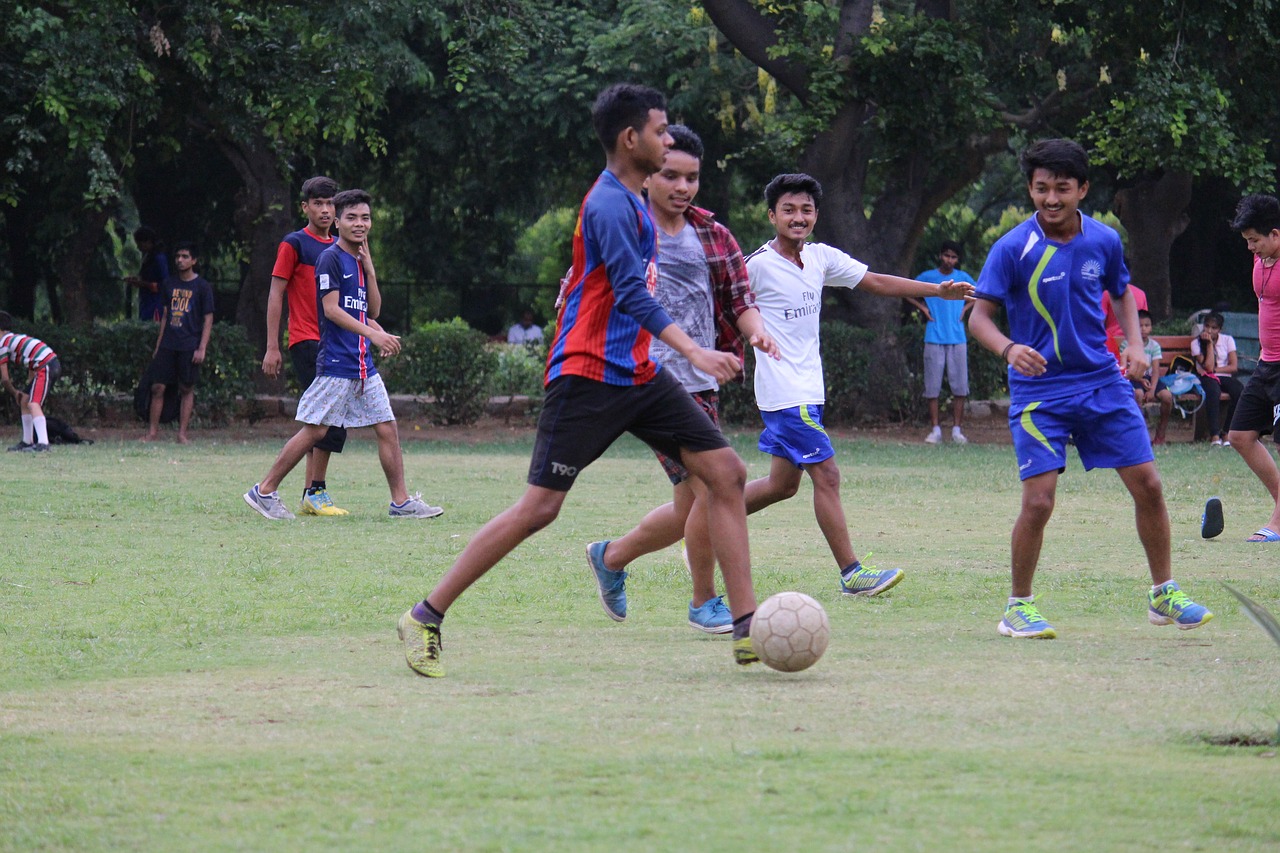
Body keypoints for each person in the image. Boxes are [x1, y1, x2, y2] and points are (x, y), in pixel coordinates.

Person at [396, 83, 764, 678]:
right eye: (660, 131)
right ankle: (425, 615)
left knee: (726, 473)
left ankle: (747, 628)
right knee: (540, 509)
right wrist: (696, 348)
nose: (668, 140)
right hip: (587, 376)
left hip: (640, 374)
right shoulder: (611, 206)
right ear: (630, 138)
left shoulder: (637, 198)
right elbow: (631, 297)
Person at [967, 138, 1212, 638]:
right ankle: (1018, 606)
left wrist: (1136, 345)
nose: (1051, 199)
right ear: (1030, 190)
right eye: (1041, 189)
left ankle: (1163, 593)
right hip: (1040, 394)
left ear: (1083, 189)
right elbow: (979, 317)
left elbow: (1121, 292)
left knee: (1149, 485)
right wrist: (1009, 349)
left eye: (1062, 188)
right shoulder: (1012, 248)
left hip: (1102, 383)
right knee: (1038, 502)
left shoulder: (1103, 240)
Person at [738, 173, 973, 599]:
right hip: (785, 394)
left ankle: (709, 520)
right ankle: (852, 574)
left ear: (816, 216)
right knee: (826, 475)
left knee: (781, 486)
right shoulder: (756, 266)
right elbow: (729, 303)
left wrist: (937, 291)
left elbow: (878, 282)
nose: (798, 217)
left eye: (806, 210)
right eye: (788, 209)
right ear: (771, 215)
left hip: (809, 391)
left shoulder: (820, 258)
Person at [583, 124, 778, 634]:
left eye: (692, 177)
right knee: (714, 487)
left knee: (692, 500)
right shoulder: (622, 224)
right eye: (671, 175)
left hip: (699, 383)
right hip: (644, 379)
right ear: (649, 174)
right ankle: (704, 601)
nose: (683, 187)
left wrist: (756, 334)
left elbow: (740, 303)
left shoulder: (713, 235)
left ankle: (613, 556)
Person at [244, 189, 443, 521]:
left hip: (363, 364)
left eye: (365, 217)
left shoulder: (357, 260)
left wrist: (371, 271)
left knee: (387, 427)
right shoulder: (330, 258)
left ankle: (401, 502)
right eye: (351, 217)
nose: (359, 223)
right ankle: (264, 490)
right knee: (316, 431)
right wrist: (375, 335)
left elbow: (373, 308)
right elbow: (332, 310)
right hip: (337, 364)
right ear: (337, 222)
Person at [262, 175, 351, 516]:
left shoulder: (342, 247)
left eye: (331, 204)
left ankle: (312, 493)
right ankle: (303, 490)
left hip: (337, 342)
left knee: (329, 418)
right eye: (319, 203)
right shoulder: (294, 244)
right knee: (323, 420)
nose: (326, 210)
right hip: (307, 339)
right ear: (306, 207)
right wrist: (273, 346)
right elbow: (276, 293)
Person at [1225, 193, 1280, 543]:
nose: (1251, 248)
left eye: (1254, 240)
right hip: (1266, 363)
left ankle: (1278, 520)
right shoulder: (1262, 260)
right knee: (1240, 436)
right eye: (1247, 241)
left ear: (1275, 233)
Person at [140, 243, 214, 444]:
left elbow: (208, 318)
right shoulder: (169, 284)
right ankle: (152, 432)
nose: (180, 260)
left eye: (185, 256)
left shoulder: (202, 287)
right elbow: (165, 315)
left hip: (189, 344)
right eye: (178, 256)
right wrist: (158, 344)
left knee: (186, 388)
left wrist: (202, 347)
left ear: (194, 260)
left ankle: (182, 434)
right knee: (157, 387)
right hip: (168, 344)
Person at [906, 240, 976, 444]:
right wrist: (924, 309)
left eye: (954, 257)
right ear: (940, 256)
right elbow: (908, 290)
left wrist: (964, 310)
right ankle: (935, 430)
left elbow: (980, 294)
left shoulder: (962, 278)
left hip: (957, 337)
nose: (950, 260)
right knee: (932, 386)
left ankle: (957, 430)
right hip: (934, 336)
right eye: (947, 255)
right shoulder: (928, 277)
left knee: (960, 386)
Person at [0, 312, 60, 452]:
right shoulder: (13, 338)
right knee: (25, 400)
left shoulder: (2, 344)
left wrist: (15, 393)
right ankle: (27, 441)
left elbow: (4, 379)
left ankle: (43, 444)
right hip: (47, 364)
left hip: (46, 365)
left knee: (33, 404)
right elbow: (31, 362)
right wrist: (28, 388)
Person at [1120, 309, 1174, 444]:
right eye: (1139, 325)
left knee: (1167, 396)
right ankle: (1140, 432)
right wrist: (1140, 380)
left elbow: (1155, 371)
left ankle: (1161, 431)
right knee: (1137, 394)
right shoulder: (1126, 345)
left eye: (1147, 325)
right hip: (1133, 379)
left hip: (1151, 380)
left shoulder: (1154, 346)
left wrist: (1152, 389)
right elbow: (1125, 370)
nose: (1143, 329)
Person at [1191, 311, 1243, 446]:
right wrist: (1208, 344)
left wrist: (1216, 370)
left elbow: (1233, 367)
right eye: (1207, 326)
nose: (1209, 330)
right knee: (1213, 391)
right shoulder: (1196, 343)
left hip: (1223, 375)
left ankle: (1226, 432)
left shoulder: (1227, 340)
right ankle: (1214, 435)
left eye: (1214, 328)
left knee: (1239, 390)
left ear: (1220, 329)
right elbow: (1207, 367)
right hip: (1206, 377)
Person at [126, 226, 170, 322]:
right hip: (146, 301)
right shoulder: (148, 257)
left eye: (140, 244)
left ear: (148, 242)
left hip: (156, 303)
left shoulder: (159, 258)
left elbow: (164, 283)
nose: (139, 247)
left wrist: (144, 284)